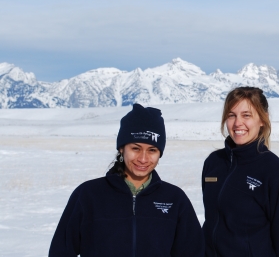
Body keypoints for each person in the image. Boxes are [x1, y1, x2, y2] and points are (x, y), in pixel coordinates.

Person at [49, 103, 204, 257]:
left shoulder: (174, 199)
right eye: (135, 148)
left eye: (152, 150)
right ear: (122, 149)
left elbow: (192, 252)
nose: (143, 159)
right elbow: (61, 250)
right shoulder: (88, 195)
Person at [202, 86, 279, 257]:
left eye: (246, 115)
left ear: (263, 119)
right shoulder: (214, 163)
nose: (237, 123)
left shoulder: (278, 176)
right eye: (231, 115)